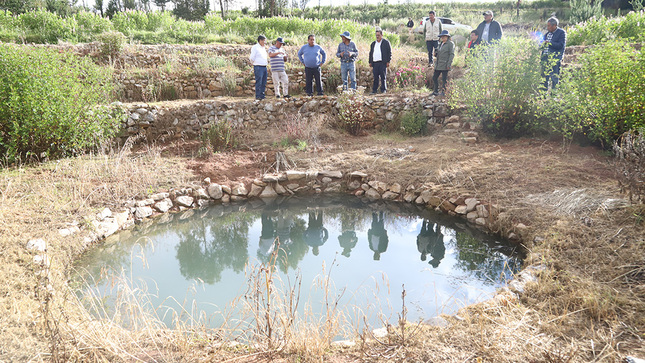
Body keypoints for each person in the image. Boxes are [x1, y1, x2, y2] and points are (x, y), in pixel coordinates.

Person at [541, 17, 566, 91]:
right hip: (545, 58)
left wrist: (550, 43)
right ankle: (543, 96)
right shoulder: (547, 34)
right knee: (544, 78)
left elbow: (561, 45)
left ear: (554, 25)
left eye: (549, 26)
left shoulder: (561, 33)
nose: (547, 27)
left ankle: (554, 96)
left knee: (554, 78)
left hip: (554, 59)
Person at [368, 27, 392, 94]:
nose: (377, 37)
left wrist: (388, 61)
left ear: (382, 35)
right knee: (375, 77)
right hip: (375, 63)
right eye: (376, 35)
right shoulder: (373, 44)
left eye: (378, 35)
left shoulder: (386, 42)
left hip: (382, 62)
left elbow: (389, 52)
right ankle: (374, 90)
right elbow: (371, 53)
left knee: (383, 77)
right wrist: (370, 61)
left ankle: (383, 90)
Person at [432, 30, 455, 96]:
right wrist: (435, 53)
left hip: (445, 64)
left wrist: (449, 64)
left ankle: (444, 92)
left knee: (444, 79)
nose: (443, 38)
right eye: (442, 36)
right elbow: (437, 54)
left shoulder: (450, 44)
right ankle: (435, 91)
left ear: (447, 37)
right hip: (438, 64)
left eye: (444, 36)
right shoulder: (440, 44)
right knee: (434, 77)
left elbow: (451, 54)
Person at [249, 35, 268, 100]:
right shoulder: (255, 47)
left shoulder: (263, 48)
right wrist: (254, 63)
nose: (265, 42)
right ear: (260, 40)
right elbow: (252, 57)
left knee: (264, 81)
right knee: (259, 81)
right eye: (264, 41)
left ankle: (262, 95)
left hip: (264, 66)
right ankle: (258, 96)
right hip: (258, 66)